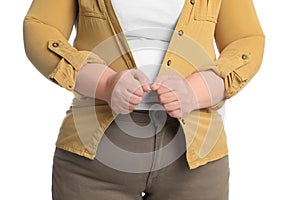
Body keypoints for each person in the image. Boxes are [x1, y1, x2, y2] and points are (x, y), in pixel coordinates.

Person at [23, 0, 265, 199]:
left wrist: (195, 91)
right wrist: (106, 84)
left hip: (196, 156)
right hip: (92, 156)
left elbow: (246, 39)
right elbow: (40, 27)